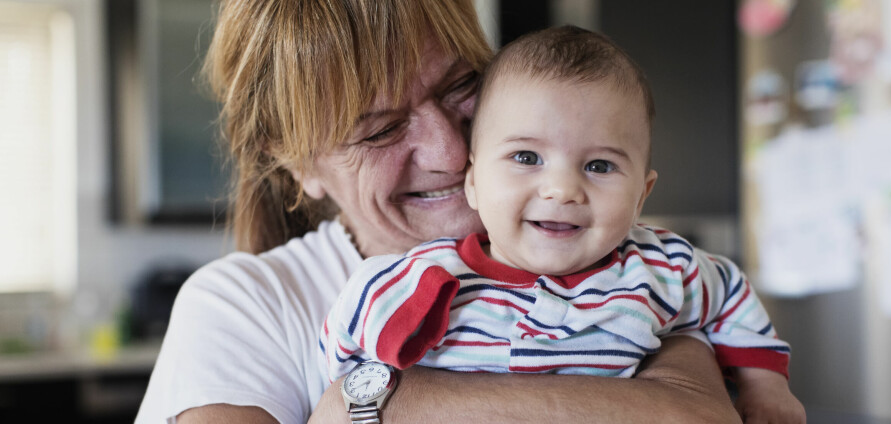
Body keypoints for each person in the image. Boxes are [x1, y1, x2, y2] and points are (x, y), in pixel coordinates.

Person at [136, 1, 743, 423]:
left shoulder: (618, 257)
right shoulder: (247, 306)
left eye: (461, 88)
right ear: (300, 165)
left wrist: (371, 405)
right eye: (380, 130)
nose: (451, 153)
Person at [321, 26, 805, 423]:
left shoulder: (660, 266)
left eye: (598, 166)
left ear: (642, 195)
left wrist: (766, 386)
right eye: (526, 157)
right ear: (473, 182)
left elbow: (729, 297)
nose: (562, 189)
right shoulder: (428, 276)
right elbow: (346, 344)